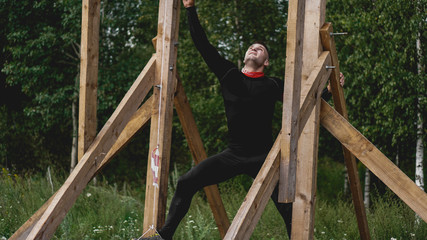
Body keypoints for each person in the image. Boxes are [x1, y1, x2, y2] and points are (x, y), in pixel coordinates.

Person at [139, 0, 344, 239]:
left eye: (260, 48)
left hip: (265, 158)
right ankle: (164, 236)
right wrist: (190, 8)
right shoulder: (229, 76)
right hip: (234, 155)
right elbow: (202, 45)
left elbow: (305, 103)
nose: (254, 48)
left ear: (266, 62)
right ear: (245, 56)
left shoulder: (274, 84)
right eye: (251, 47)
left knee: (290, 209)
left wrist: (329, 90)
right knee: (186, 182)